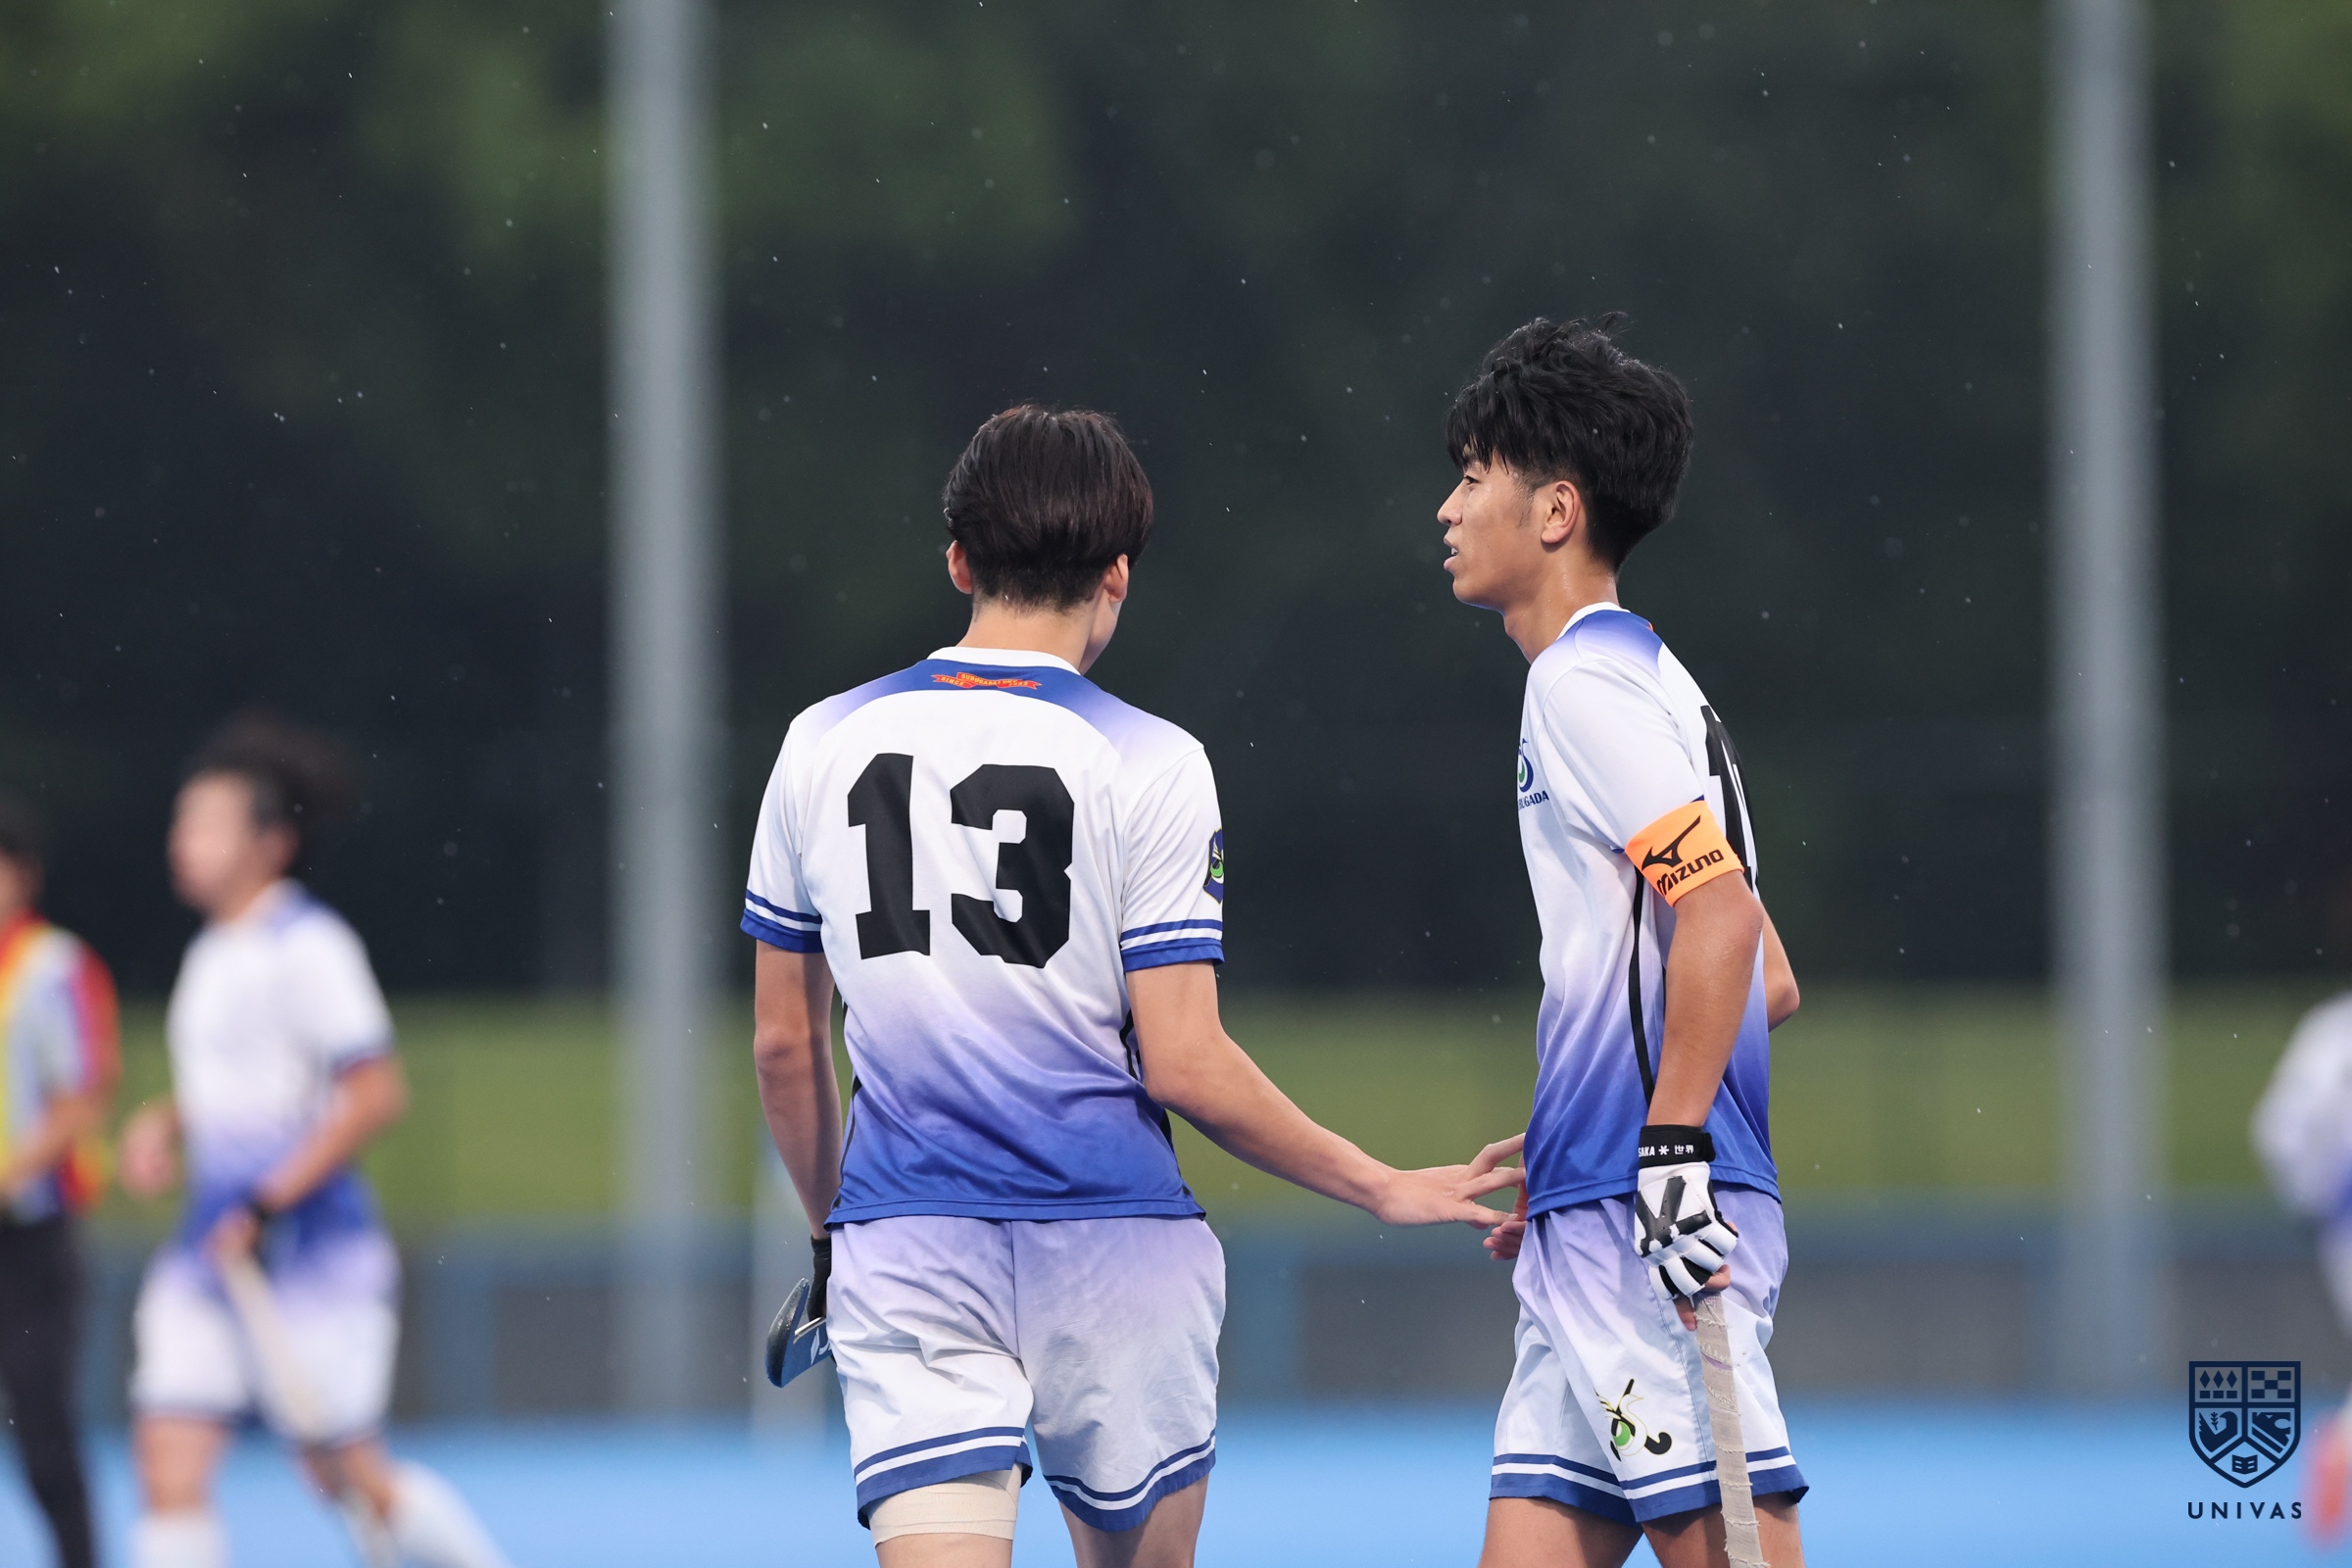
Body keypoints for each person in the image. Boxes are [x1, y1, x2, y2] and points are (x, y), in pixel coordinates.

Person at [747, 404, 1521, 1567]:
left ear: (957, 560)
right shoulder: (1155, 759)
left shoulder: (820, 740)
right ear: (1117, 573)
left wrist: (831, 1238)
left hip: (910, 1243)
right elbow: (1186, 1063)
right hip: (1116, 1253)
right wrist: (1376, 1184)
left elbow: (784, 1045)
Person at [1437, 318, 1808, 1568]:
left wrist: (1664, 1148)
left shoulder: (1580, 685)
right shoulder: (1654, 679)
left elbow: (1722, 915)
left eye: (1472, 477)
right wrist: (1583, 1137)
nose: (1448, 508)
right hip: (1594, 1206)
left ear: (1556, 510)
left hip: (1644, 1223)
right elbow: (1768, 980)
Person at [117, 714, 514, 1568]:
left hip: (309, 1248)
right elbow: (244, 1088)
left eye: (206, 825)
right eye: (183, 822)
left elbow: (375, 1094)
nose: (182, 842)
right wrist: (164, 1121)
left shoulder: (311, 949)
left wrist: (266, 1204)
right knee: (167, 1455)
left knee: (343, 1476)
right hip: (212, 1248)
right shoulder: (212, 952)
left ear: (272, 844)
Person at [0, 795, 120, 1568]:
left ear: (23, 875)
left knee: (41, 1429)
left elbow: (83, 1094)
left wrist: (9, 1173)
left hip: (30, 1235)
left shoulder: (53, 966)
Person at [2252, 991, 2352, 1540]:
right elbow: (2282, 1129)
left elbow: (2280, 1132)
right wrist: (2315, 1198)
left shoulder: (2333, 1028)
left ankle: (2341, 1444)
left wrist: (2309, 1198)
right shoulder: (2335, 1031)